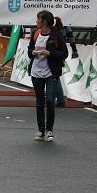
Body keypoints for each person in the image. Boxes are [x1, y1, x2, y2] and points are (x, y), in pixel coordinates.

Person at [28, 10, 68, 142]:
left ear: (44, 21)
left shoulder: (56, 35)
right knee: (40, 102)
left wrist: (49, 53)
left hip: (51, 72)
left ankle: (49, 130)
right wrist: (33, 52)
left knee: (50, 100)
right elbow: (29, 50)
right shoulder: (36, 33)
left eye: (38, 19)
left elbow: (64, 54)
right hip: (36, 72)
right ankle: (41, 130)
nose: (36, 21)